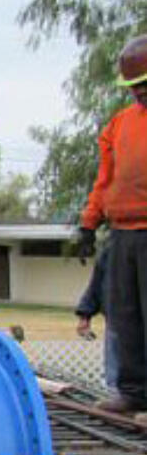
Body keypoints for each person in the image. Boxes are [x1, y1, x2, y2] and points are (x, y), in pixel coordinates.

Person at [77, 33, 147, 417]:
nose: (140, 93)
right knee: (125, 316)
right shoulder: (120, 125)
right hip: (123, 233)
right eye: (135, 87)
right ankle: (133, 392)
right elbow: (106, 178)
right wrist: (89, 223)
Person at [75, 245, 118, 392]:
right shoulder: (111, 248)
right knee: (115, 382)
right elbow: (96, 283)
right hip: (117, 321)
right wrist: (84, 314)